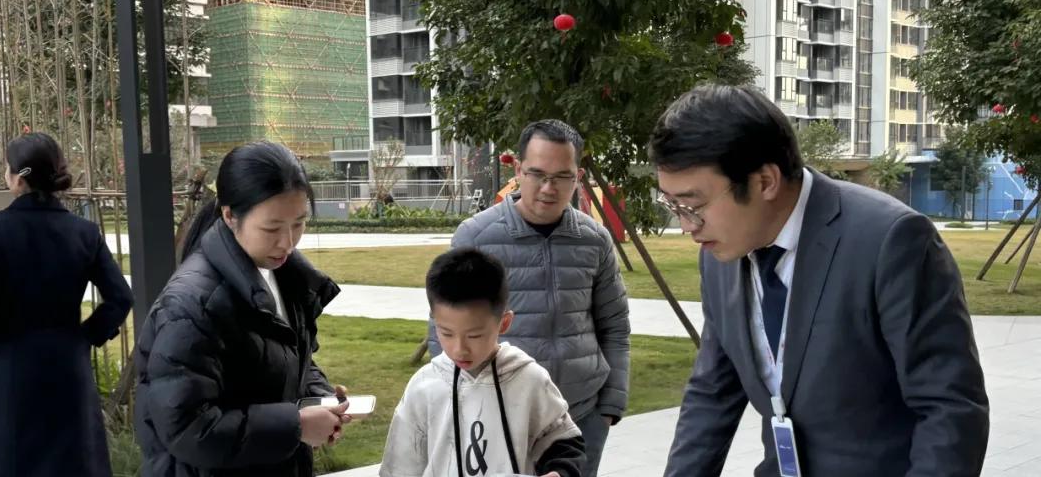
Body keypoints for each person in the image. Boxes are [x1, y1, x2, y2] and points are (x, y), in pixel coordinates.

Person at [652, 85, 989, 477]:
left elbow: (950, 409)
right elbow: (712, 394)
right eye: (672, 205)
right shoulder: (720, 256)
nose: (686, 225)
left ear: (765, 182)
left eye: (693, 206)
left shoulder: (889, 241)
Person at [134, 141, 351, 477]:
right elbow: (186, 427)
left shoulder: (285, 276)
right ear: (229, 215)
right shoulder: (191, 304)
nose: (288, 242)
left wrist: (318, 397)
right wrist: (294, 426)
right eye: (272, 228)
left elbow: (290, 359)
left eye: (299, 223)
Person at [430, 119, 630, 477]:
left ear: (578, 176)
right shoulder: (476, 236)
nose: (548, 188)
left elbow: (614, 325)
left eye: (562, 176)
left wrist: (611, 402)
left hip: (582, 414)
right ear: (518, 170)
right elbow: (442, 329)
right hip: (501, 412)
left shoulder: (594, 239)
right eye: (537, 173)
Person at [0, 132, 133, 477]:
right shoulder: (84, 232)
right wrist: (84, 337)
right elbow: (120, 297)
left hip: (6, 371)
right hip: (67, 369)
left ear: (18, 179)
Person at [382, 247, 585, 477]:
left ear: (504, 323)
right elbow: (400, 465)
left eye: (474, 336)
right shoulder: (424, 385)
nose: (459, 349)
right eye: (446, 333)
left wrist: (559, 473)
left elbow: (563, 442)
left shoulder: (529, 380)